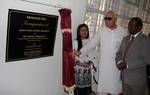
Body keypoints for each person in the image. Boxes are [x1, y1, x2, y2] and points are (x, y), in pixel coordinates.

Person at [73, 10, 128, 95]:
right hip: (103, 66)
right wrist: (80, 52)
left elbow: (126, 48)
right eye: (105, 18)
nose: (106, 20)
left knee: (114, 88)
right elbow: (92, 43)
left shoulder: (123, 32)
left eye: (109, 18)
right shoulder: (102, 30)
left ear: (115, 19)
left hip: (116, 66)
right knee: (102, 88)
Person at [115, 17, 150, 95]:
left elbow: (146, 60)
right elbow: (119, 53)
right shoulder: (125, 39)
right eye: (129, 25)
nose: (129, 27)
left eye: (132, 25)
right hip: (124, 78)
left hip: (137, 81)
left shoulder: (146, 40)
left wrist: (127, 65)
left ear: (139, 27)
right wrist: (119, 61)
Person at [73, 23, 93, 95]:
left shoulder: (90, 42)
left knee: (86, 91)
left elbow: (92, 54)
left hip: (88, 71)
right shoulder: (76, 42)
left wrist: (90, 62)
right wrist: (83, 64)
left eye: (86, 30)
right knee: (79, 91)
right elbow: (73, 58)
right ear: (79, 32)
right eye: (82, 30)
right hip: (79, 71)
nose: (84, 32)